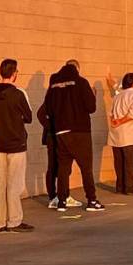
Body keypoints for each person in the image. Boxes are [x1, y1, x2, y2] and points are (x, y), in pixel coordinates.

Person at [42, 59, 105, 212]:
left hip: (60, 132)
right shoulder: (81, 82)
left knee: (63, 167)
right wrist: (93, 95)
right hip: (79, 131)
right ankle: (91, 200)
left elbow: (48, 108)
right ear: (77, 68)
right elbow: (91, 108)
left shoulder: (54, 85)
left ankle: (62, 201)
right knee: (86, 167)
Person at [0, 58, 35, 233]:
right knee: (14, 184)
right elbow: (29, 117)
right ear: (14, 73)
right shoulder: (18, 93)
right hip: (16, 143)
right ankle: (14, 220)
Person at [37, 101, 83, 209]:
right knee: (57, 167)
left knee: (61, 167)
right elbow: (40, 114)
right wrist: (52, 127)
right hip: (55, 137)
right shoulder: (55, 97)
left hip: (59, 136)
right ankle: (56, 197)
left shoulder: (60, 97)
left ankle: (60, 196)